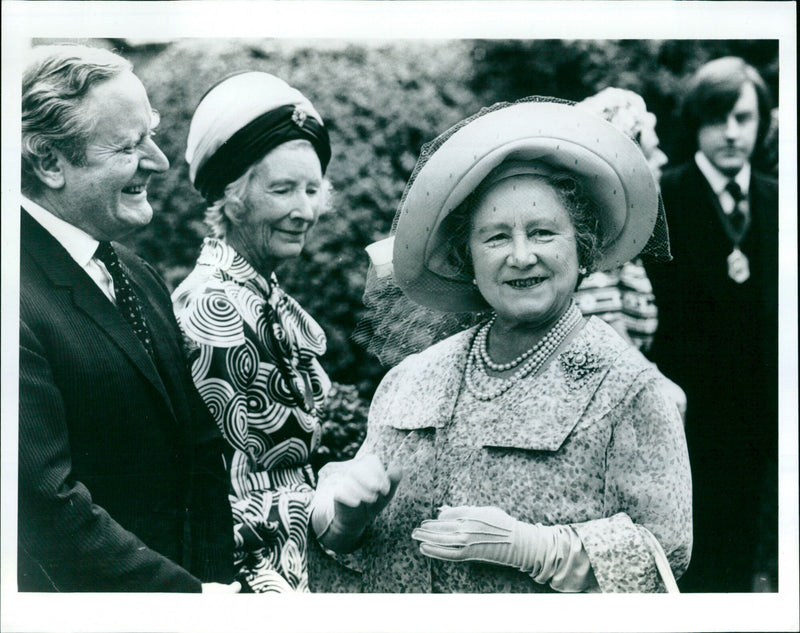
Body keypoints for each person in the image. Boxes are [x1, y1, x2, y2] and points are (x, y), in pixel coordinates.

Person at [308, 97, 692, 593]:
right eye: (494, 237)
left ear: (583, 245)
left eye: (543, 232)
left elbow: (666, 553)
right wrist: (344, 518)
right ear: (467, 255)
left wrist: (535, 547)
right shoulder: (414, 377)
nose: (521, 255)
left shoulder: (627, 388)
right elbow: (341, 539)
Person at [19, 44, 237, 592]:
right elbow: (45, 504)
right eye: (128, 145)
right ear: (48, 161)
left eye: (152, 134)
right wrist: (187, 601)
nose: (160, 162)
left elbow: (200, 457)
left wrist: (216, 586)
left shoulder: (137, 274)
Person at [172, 71, 332, 593]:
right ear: (232, 196)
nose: (304, 210)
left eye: (312, 189)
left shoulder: (265, 296)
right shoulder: (212, 306)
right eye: (283, 189)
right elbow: (219, 491)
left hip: (300, 564)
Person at [646, 57, 778, 593]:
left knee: (749, 556)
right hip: (685, 412)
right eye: (717, 118)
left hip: (762, 414)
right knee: (691, 559)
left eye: (744, 118)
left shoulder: (780, 200)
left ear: (762, 123)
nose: (731, 132)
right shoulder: (661, 200)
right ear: (695, 123)